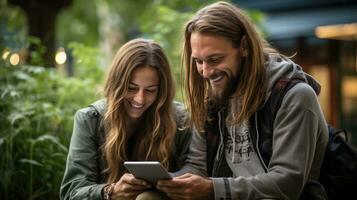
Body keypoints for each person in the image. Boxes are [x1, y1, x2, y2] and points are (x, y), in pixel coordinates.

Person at [156, 1, 329, 200]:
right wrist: (166, 182)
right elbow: (198, 166)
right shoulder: (214, 97)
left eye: (214, 60)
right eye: (198, 61)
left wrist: (214, 189)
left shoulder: (294, 96)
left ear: (244, 47)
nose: (205, 72)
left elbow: (287, 183)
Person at [60, 38, 191, 200]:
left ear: (162, 91)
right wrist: (110, 192)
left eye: (150, 90)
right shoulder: (90, 119)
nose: (140, 99)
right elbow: (71, 192)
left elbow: (195, 174)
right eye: (131, 88)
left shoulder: (180, 119)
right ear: (116, 85)